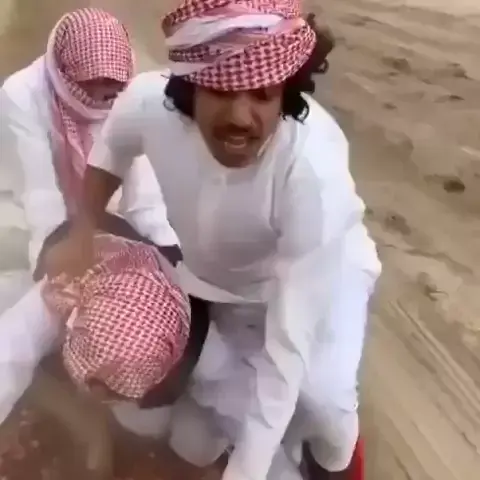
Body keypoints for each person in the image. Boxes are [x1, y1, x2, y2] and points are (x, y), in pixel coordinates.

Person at [47, 1, 381, 479]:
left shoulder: (312, 171)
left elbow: (287, 348)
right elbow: (111, 153)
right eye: (222, 91)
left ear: (285, 93)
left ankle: (339, 461)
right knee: (197, 427)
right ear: (189, 86)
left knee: (323, 402)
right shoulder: (147, 103)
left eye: (263, 94)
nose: (241, 117)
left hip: (322, 280)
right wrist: (83, 230)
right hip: (217, 281)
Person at [0, 7, 179, 272]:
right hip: (41, 213)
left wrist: (167, 250)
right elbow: (39, 192)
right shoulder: (22, 94)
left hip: (107, 210)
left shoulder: (129, 93)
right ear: (66, 72)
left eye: (112, 85)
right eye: (93, 83)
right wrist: (51, 258)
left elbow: (143, 191)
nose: (102, 95)